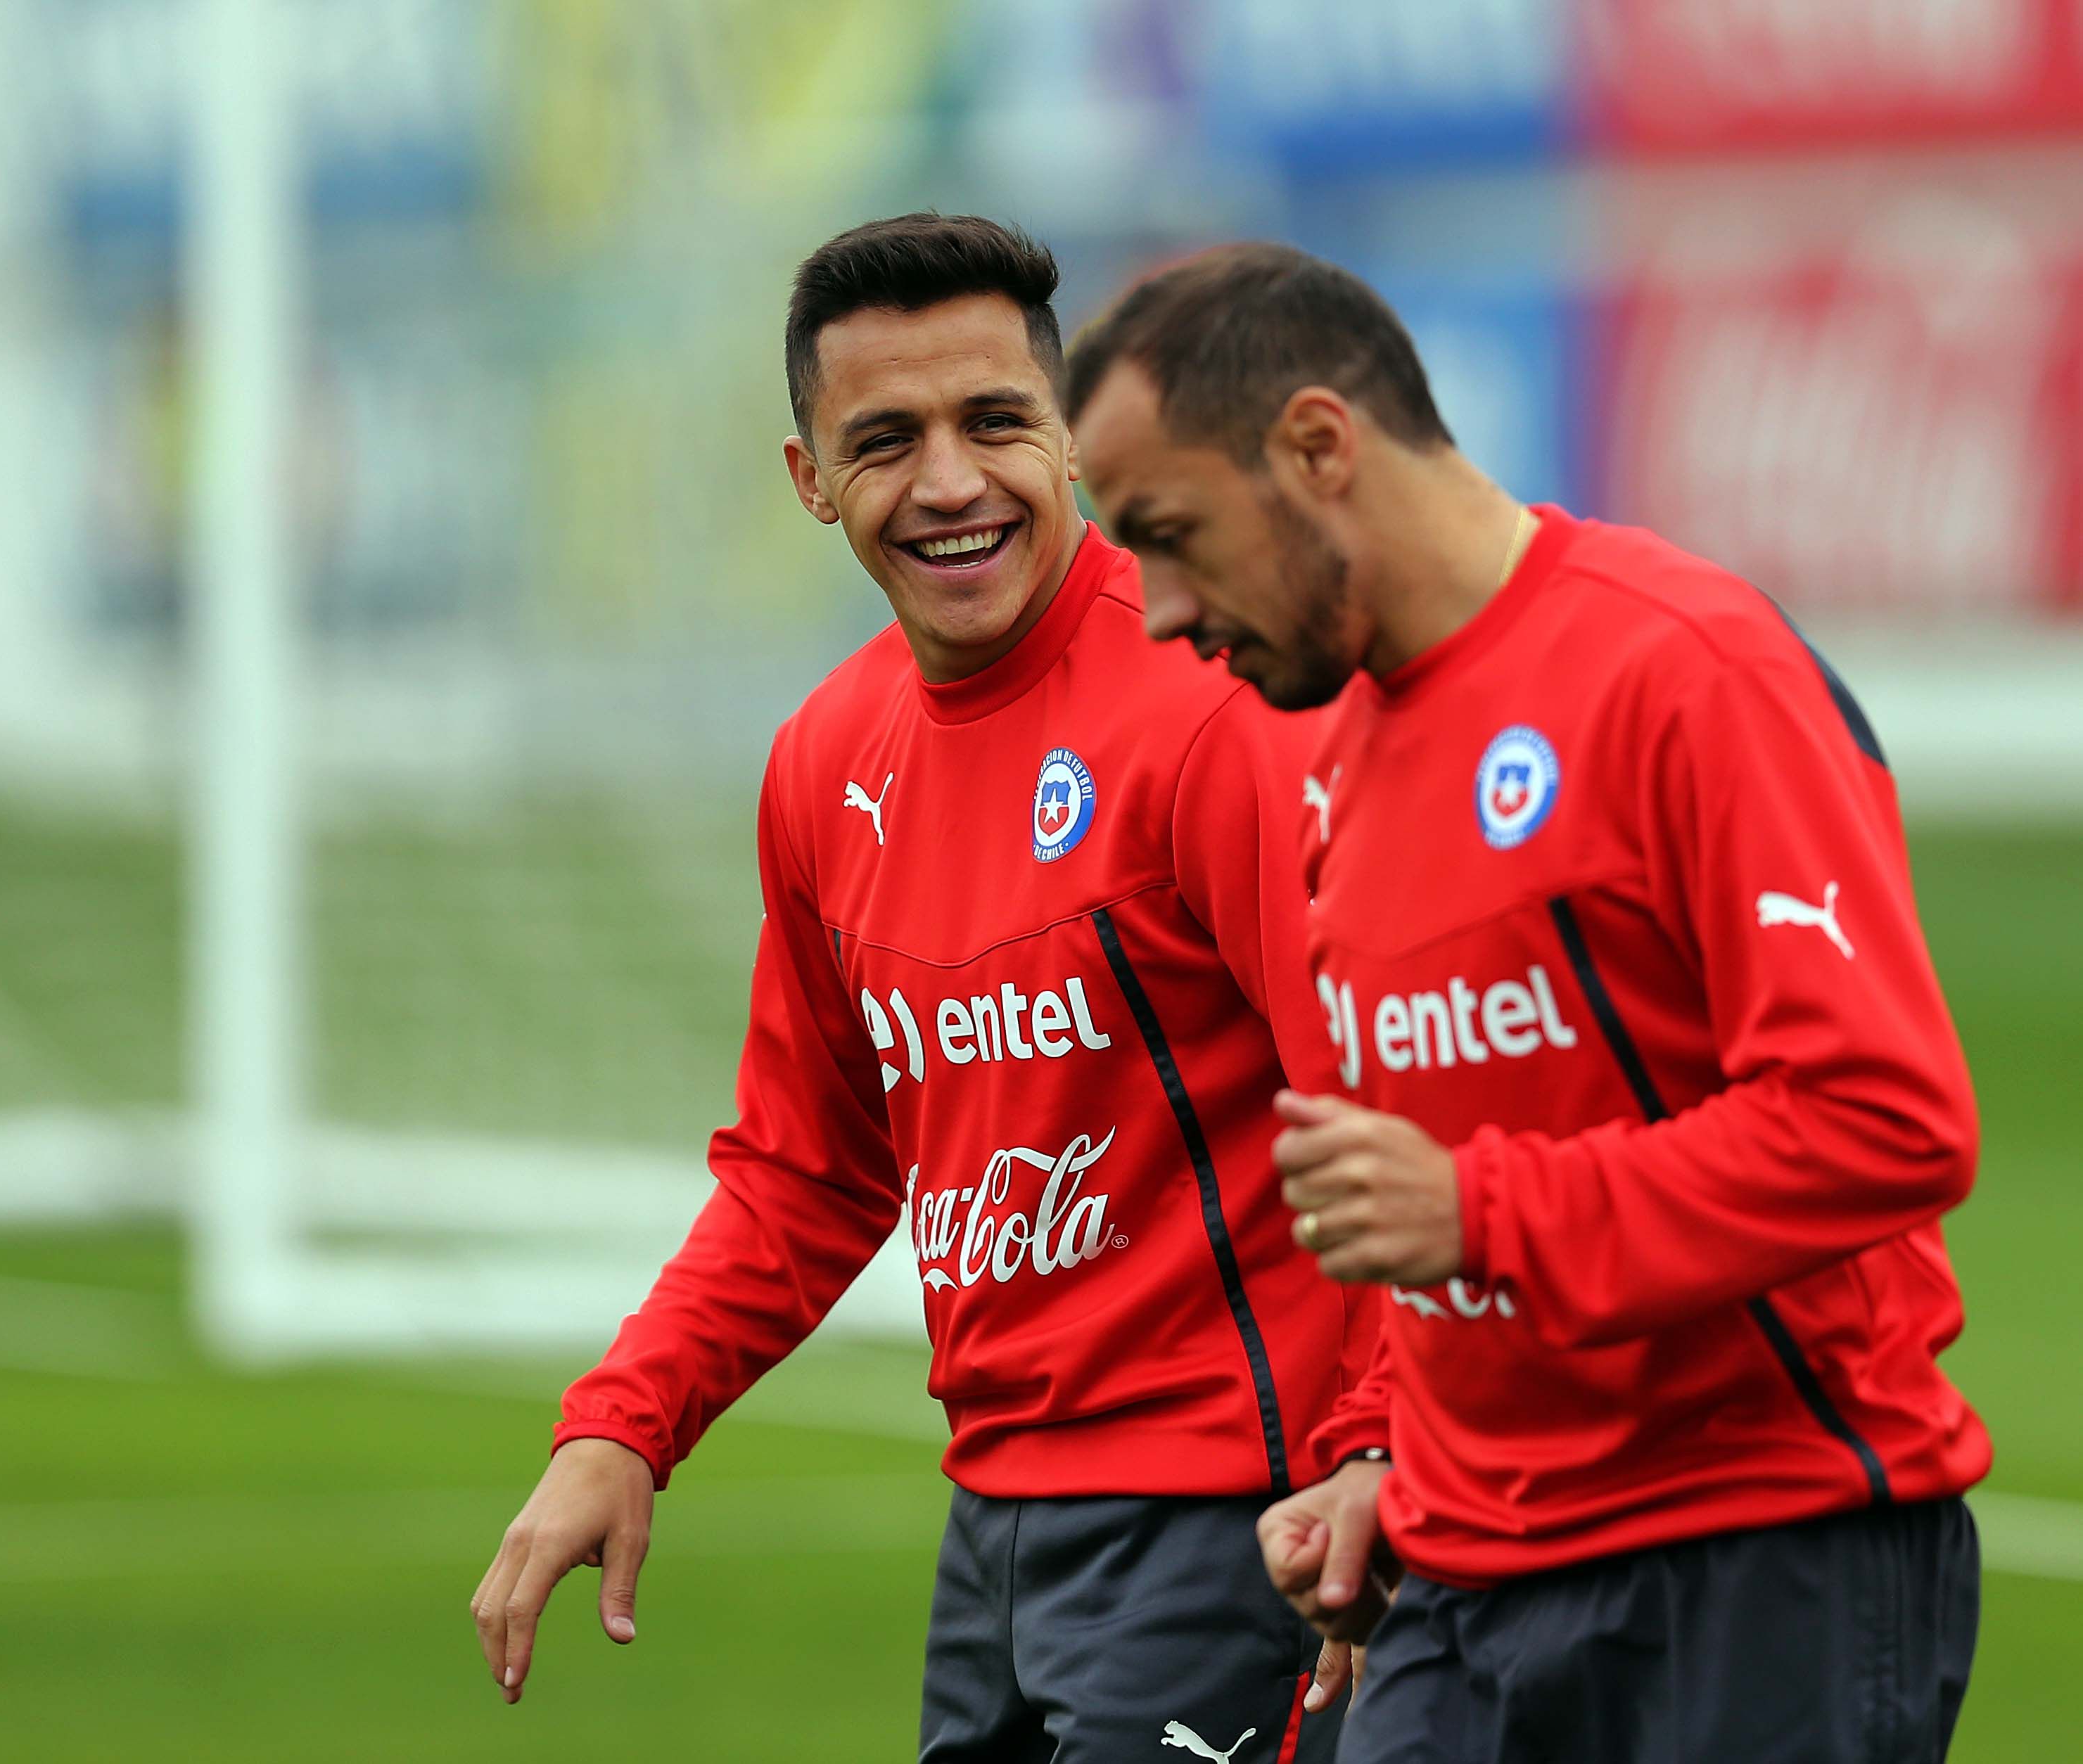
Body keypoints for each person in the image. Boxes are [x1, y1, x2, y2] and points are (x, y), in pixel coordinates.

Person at [471, 215, 1386, 1762]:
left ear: (1077, 440)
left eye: (996, 423)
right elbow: (807, 1172)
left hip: (1242, 1522)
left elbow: (1388, 1102)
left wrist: (1375, 1454)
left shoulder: (1213, 709)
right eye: (885, 441)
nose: (951, 483)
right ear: (809, 480)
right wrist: (624, 1421)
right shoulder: (826, 763)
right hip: (998, 1534)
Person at [1064, 242, 1988, 1763]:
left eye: (1173, 534)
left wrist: (1487, 1211)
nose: (1159, 611)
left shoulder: (1686, 671)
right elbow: (1433, 1179)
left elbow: (1885, 1123)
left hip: (1755, 1550)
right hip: (1460, 1573)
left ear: (1316, 446)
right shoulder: (1334, 755)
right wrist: (1382, 1453)